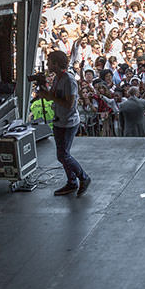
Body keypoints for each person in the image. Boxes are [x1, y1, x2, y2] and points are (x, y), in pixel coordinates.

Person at [36, 50, 90, 197]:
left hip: (68, 122)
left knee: (63, 155)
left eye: (49, 62)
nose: (47, 65)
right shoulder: (58, 79)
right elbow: (50, 98)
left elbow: (69, 104)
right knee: (62, 154)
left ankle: (83, 177)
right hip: (60, 121)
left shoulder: (69, 80)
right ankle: (72, 182)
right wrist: (44, 89)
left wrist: (50, 97)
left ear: (56, 63)